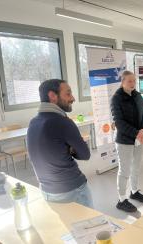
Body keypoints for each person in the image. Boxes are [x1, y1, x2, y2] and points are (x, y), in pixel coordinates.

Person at [27, 79, 93, 208]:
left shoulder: (33, 122)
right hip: (72, 190)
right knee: (91, 226)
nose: (73, 98)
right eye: (68, 94)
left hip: (47, 191)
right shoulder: (63, 122)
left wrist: (68, 148)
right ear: (52, 96)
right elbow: (85, 154)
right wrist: (71, 149)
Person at [111, 70, 143, 213]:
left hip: (139, 139)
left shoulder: (138, 96)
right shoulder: (116, 98)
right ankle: (121, 200)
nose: (133, 83)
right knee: (124, 170)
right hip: (124, 141)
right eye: (129, 81)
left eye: (134, 80)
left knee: (136, 167)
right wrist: (136, 133)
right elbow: (119, 123)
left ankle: (134, 191)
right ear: (122, 82)